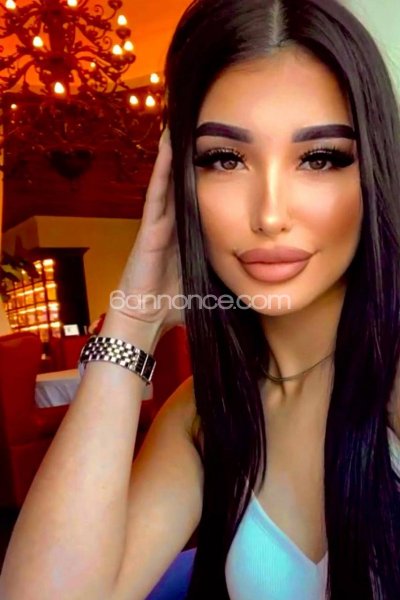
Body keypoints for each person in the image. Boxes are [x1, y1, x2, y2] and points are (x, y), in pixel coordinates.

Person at [1, 0, 400, 598]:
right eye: (224, 159)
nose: (270, 215)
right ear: (182, 185)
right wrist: (133, 318)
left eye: (320, 158)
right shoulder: (205, 412)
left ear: (373, 174)